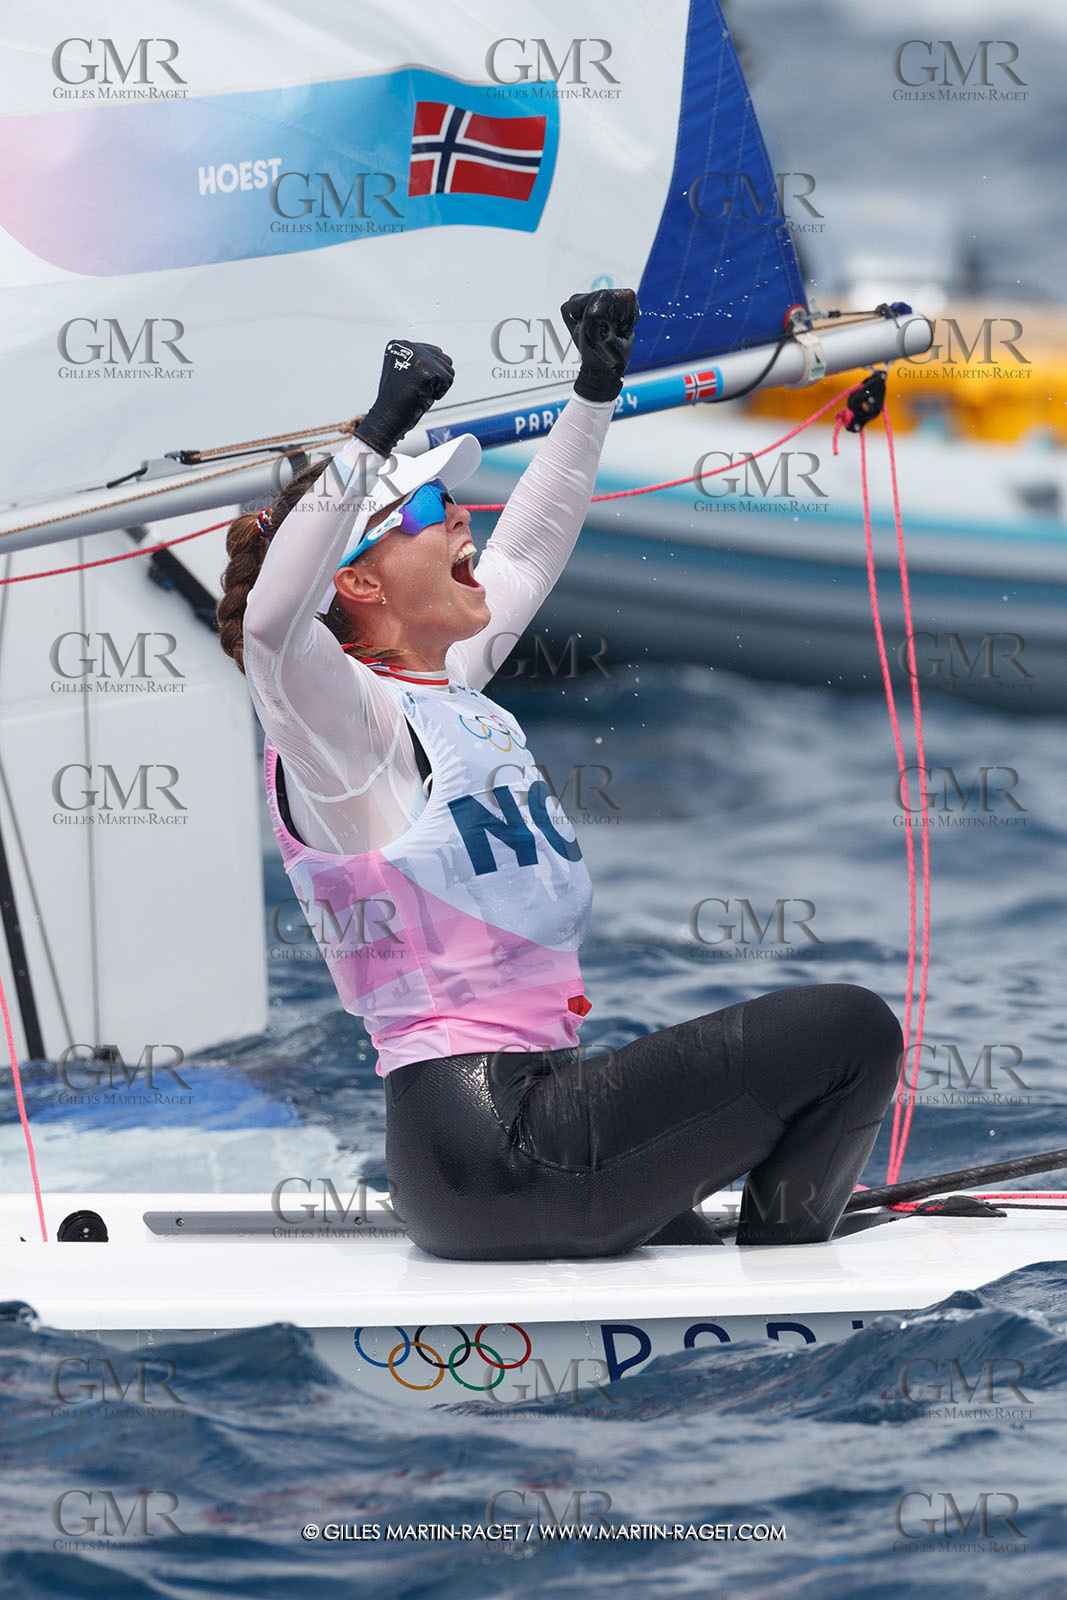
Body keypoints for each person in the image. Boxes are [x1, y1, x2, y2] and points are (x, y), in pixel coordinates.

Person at [218, 289, 902, 1261]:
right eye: (423, 509)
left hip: (515, 1142)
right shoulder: (342, 731)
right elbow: (272, 626)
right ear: (357, 582)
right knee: (849, 1030)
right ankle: (789, 1271)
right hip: (491, 1147)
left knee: (765, 1081)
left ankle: (752, 1243)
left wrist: (593, 387)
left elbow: (533, 543)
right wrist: (372, 435)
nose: (459, 516)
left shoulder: (445, 687)